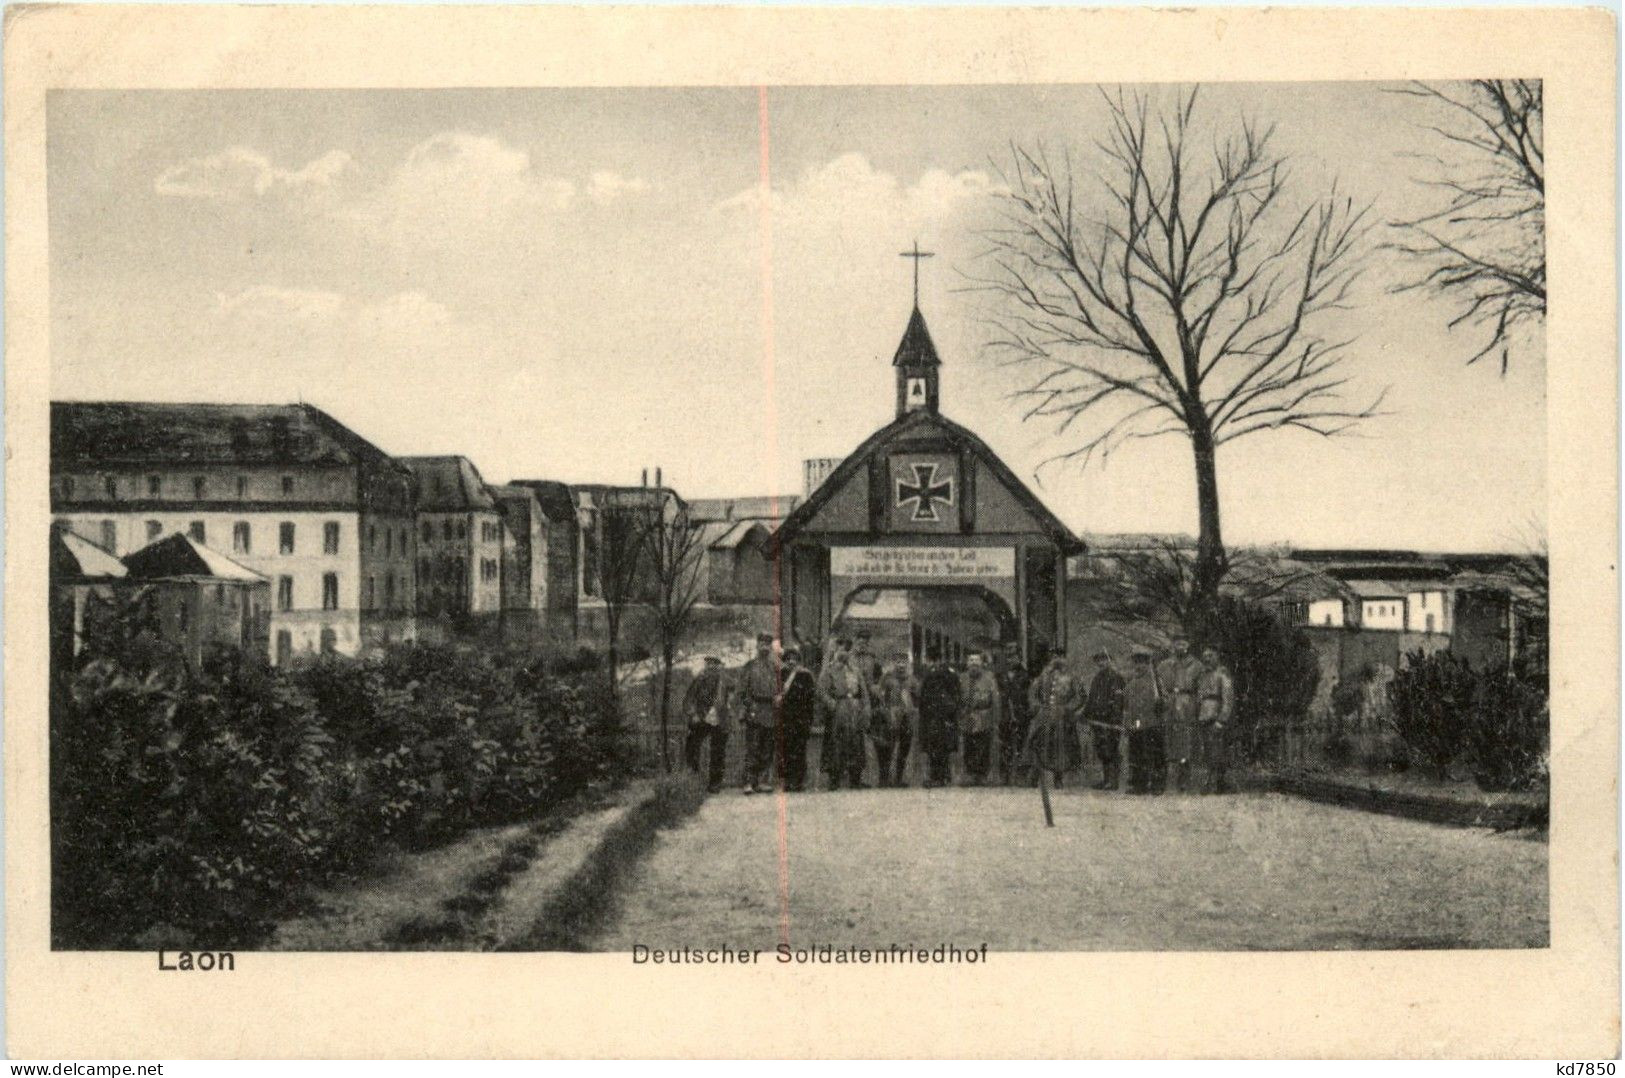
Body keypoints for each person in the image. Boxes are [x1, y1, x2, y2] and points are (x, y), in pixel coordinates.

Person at [817, 636, 872, 789]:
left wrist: (866, 707)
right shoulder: (829, 670)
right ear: (835, 650)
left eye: (847, 649)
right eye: (841, 648)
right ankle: (834, 778)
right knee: (836, 742)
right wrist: (831, 704)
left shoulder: (855, 670)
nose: (844, 652)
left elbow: (864, 691)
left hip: (854, 708)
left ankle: (855, 778)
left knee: (856, 741)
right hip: (838, 708)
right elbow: (821, 690)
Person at [1025, 647, 1083, 787]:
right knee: (1038, 743)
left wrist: (1068, 708)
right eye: (1054, 657)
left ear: (1065, 659)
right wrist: (1036, 705)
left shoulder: (1072, 677)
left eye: (1060, 657)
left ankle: (1058, 778)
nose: (1057, 660)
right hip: (1043, 716)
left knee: (1060, 746)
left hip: (1061, 717)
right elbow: (1033, 692)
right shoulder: (1043, 676)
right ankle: (1034, 776)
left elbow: (1080, 696)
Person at [1156, 635, 1204, 793]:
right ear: (1173, 645)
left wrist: (1195, 705)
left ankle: (1185, 780)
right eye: (1177, 644)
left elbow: (1201, 689)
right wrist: (1165, 700)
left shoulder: (1196, 665)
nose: (1180, 647)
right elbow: (1159, 687)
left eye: (1183, 643)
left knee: (1186, 742)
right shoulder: (1164, 666)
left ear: (1188, 645)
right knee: (1169, 742)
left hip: (1187, 705)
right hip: (1169, 705)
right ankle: (1167, 781)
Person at [737, 632, 780, 794]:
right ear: (757, 645)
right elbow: (741, 690)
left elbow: (779, 689)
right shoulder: (749, 666)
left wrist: (777, 698)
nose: (765, 647)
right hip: (755, 710)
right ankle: (748, 782)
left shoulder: (774, 668)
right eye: (762, 643)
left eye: (768, 644)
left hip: (770, 711)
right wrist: (749, 705)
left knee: (767, 748)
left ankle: (762, 781)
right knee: (753, 747)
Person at [681, 656, 732, 793]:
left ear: (719, 666)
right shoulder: (699, 680)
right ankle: (693, 779)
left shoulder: (725, 681)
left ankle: (715, 784)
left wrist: (729, 709)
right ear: (705, 665)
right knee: (692, 747)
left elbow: (735, 696)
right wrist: (693, 715)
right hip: (701, 718)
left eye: (715, 664)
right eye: (709, 664)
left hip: (720, 720)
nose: (712, 667)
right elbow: (688, 700)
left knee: (718, 752)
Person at [1122, 648, 1166, 794]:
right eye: (1136, 663)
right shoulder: (1130, 684)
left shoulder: (1156, 682)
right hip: (1137, 723)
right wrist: (1127, 723)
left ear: (1148, 664)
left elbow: (1165, 701)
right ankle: (1139, 784)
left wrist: (1161, 703)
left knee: (1154, 754)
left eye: (1142, 663)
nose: (1139, 666)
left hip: (1153, 722)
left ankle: (1157, 784)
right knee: (1137, 754)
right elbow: (1127, 707)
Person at [917, 646, 962, 787]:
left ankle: (937, 777)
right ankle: (943, 776)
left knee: (935, 746)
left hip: (934, 715)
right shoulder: (951, 673)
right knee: (943, 746)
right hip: (947, 715)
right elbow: (957, 694)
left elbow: (924, 697)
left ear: (930, 659)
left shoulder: (931, 674)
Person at [1082, 649, 1126, 791]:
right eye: (1099, 661)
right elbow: (1091, 698)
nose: (1101, 663)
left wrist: (1115, 717)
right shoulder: (1096, 678)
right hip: (1097, 719)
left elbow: (1119, 699)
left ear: (1109, 661)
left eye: (1104, 660)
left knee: (1111, 749)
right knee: (1102, 749)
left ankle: (1113, 782)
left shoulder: (1116, 677)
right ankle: (1106, 779)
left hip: (1111, 720)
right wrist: (1086, 714)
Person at [871, 653, 917, 787]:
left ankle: (899, 778)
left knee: (904, 747)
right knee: (887, 748)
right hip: (890, 716)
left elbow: (917, 695)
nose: (901, 665)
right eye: (898, 662)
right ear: (894, 663)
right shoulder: (887, 678)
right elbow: (880, 695)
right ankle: (884, 778)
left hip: (907, 717)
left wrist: (912, 707)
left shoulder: (912, 679)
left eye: (904, 662)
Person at [1196, 646, 1236, 794]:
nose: (1207, 659)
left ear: (1217, 656)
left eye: (1210, 655)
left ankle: (1219, 783)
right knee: (1208, 751)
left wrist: (1222, 719)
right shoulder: (1203, 676)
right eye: (1205, 656)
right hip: (1204, 717)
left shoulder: (1222, 675)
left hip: (1216, 717)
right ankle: (1210, 782)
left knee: (1218, 752)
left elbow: (1228, 699)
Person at [777, 647, 818, 792]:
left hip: (801, 718)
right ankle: (787, 781)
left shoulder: (805, 676)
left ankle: (799, 781)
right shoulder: (780, 674)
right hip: (786, 718)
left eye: (794, 659)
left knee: (800, 750)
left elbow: (811, 699)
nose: (791, 661)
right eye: (788, 659)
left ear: (798, 660)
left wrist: (809, 719)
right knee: (786, 750)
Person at [959, 652, 1002, 785]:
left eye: (976, 661)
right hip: (967, 716)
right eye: (971, 660)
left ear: (981, 664)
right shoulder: (962, 678)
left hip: (984, 716)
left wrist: (996, 719)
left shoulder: (989, 679)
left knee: (983, 745)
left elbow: (995, 699)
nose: (974, 664)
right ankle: (970, 774)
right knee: (968, 745)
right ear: (967, 663)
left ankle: (982, 775)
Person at [996, 643, 1033, 786]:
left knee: (1022, 745)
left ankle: (1021, 777)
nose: (1011, 660)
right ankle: (1005, 776)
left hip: (1021, 715)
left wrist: (1026, 712)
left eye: (1014, 657)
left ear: (1019, 657)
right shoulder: (1000, 676)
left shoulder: (1026, 675)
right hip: (1005, 715)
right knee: (1005, 745)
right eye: (1009, 657)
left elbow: (1030, 696)